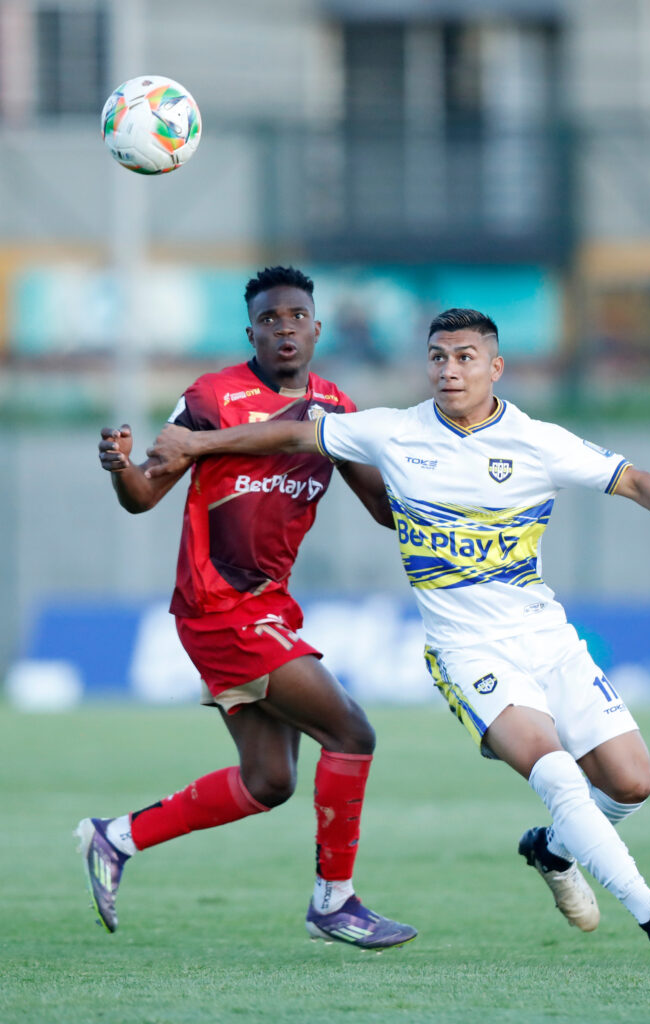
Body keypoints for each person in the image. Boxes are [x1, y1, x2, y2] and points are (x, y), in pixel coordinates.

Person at [146, 307, 650, 961]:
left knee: (630, 782)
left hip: (548, 639)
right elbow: (292, 436)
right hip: (467, 651)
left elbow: (638, 481)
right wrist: (195, 445)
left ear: (495, 367)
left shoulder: (537, 441)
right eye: (439, 357)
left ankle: (552, 851)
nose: (450, 370)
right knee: (559, 776)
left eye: (466, 357)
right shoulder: (393, 433)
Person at [75, 265, 417, 950]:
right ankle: (335, 902)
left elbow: (383, 510)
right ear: (251, 331)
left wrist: (432, 483)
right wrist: (121, 470)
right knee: (352, 733)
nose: (284, 328)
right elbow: (146, 496)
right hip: (217, 605)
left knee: (268, 781)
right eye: (270, 319)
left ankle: (115, 838)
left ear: (316, 328)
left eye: (296, 316)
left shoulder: (335, 408)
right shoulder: (211, 397)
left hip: (269, 606)